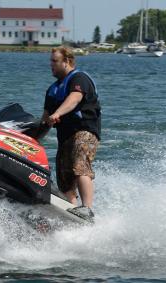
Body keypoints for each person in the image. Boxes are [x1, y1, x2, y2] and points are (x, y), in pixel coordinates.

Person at [40, 46, 101, 221]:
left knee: (79, 166)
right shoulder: (52, 90)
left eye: (55, 61)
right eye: (50, 61)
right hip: (65, 138)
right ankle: (73, 215)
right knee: (64, 179)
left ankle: (87, 209)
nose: (51, 65)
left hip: (84, 132)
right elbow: (44, 120)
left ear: (66, 61)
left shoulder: (79, 78)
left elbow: (74, 99)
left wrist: (58, 113)